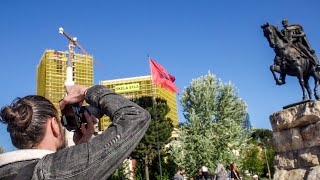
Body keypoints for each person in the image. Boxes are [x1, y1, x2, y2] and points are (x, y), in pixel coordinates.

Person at [0, 85, 151, 179]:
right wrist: (87, 91)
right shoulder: (52, 170)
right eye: (61, 121)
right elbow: (136, 117)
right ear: (53, 124)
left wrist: (81, 148)